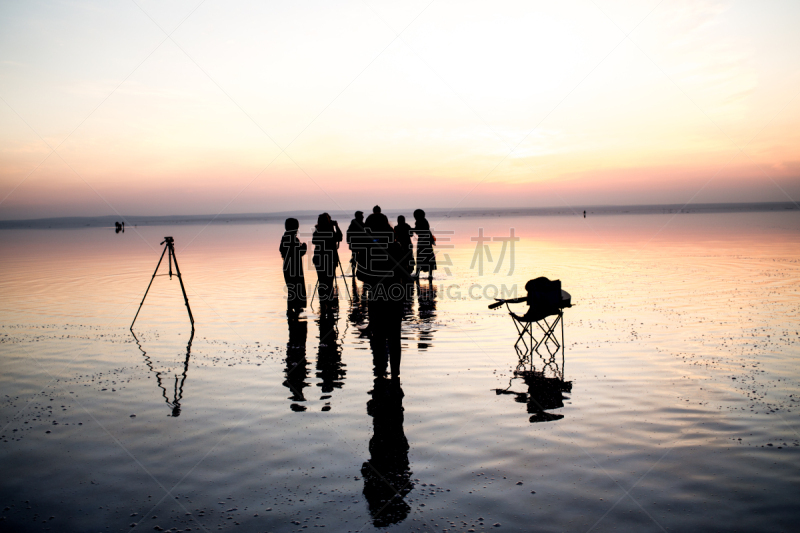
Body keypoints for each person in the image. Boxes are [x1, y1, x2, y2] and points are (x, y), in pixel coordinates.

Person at [312, 213, 343, 304]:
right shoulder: (330, 232)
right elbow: (340, 237)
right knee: (329, 282)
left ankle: (323, 304)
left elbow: (314, 241)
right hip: (330, 259)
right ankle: (328, 304)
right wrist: (336, 226)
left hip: (319, 259)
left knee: (322, 281)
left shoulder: (317, 231)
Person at [279, 217, 307, 311]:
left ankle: (292, 313)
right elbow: (297, 253)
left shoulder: (285, 238)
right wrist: (304, 248)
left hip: (287, 267)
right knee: (295, 290)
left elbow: (283, 251)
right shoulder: (292, 239)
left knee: (292, 291)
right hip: (294, 268)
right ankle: (295, 311)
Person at [410, 209, 436, 280]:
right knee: (429, 257)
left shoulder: (419, 221)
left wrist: (412, 230)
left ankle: (417, 275)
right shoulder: (425, 221)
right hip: (427, 241)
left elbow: (419, 231)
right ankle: (430, 275)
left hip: (422, 242)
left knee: (420, 258)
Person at [346, 211, 365, 277]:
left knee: (356, 257)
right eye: (362, 216)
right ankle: (355, 271)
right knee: (357, 257)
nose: (363, 217)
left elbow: (348, 233)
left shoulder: (355, 224)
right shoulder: (358, 224)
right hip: (357, 244)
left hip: (357, 244)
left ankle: (355, 271)